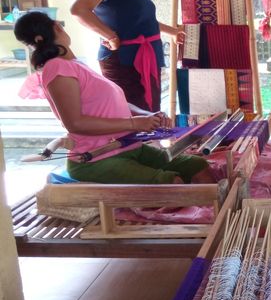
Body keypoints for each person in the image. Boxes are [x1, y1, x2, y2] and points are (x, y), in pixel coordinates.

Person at [14, 11, 212, 185]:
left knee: (197, 165)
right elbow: (75, 124)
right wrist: (134, 124)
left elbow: (111, 103)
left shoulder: (75, 65)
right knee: (170, 182)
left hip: (126, 146)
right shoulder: (57, 68)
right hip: (96, 158)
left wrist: (147, 115)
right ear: (56, 27)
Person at [71, 0, 184, 113]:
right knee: (134, 115)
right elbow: (79, 10)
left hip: (145, 56)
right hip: (125, 61)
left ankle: (150, 142)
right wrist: (111, 36)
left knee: (150, 113)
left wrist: (173, 32)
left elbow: (142, 20)